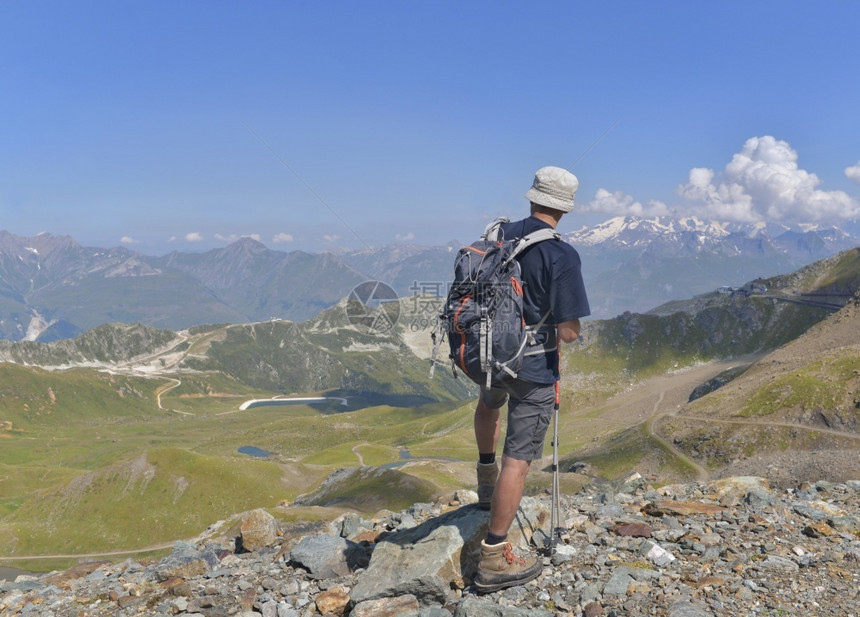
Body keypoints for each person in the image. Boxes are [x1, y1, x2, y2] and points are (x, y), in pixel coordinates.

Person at [473, 165, 590, 593]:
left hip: (487, 355)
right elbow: (569, 331)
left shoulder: (499, 235)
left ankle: (485, 482)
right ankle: (493, 556)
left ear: (532, 197)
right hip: (533, 367)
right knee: (518, 461)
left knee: (489, 404)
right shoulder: (561, 254)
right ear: (566, 207)